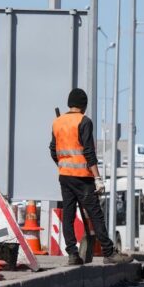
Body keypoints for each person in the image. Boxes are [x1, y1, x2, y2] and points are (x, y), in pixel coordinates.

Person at [49, 88, 131, 266]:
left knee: (68, 215)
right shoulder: (84, 121)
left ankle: (72, 254)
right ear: (84, 105)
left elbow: (52, 150)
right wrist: (97, 178)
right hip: (83, 178)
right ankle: (109, 253)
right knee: (96, 215)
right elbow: (88, 151)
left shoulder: (58, 122)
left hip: (65, 177)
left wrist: (63, 164)